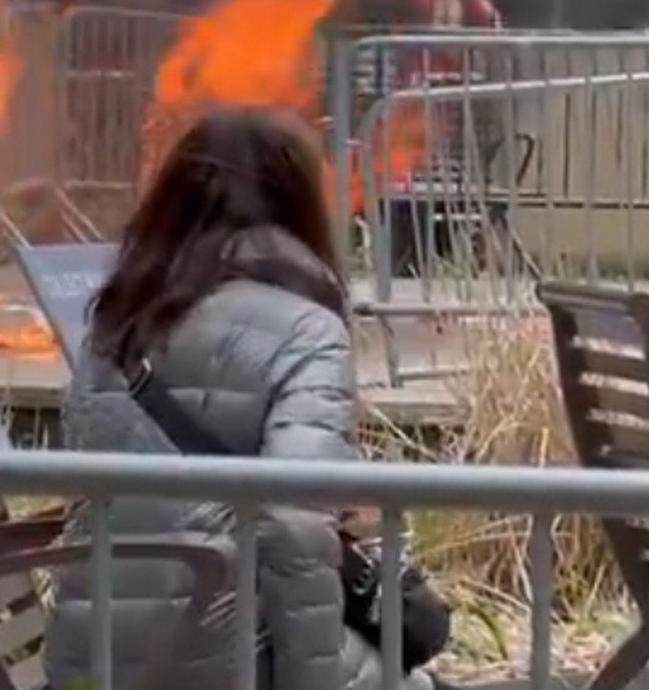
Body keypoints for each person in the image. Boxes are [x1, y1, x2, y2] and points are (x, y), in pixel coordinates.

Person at [45, 108, 455, 690]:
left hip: (93, 659)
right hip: (227, 660)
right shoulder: (307, 331)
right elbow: (293, 524)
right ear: (299, 206)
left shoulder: (111, 330)